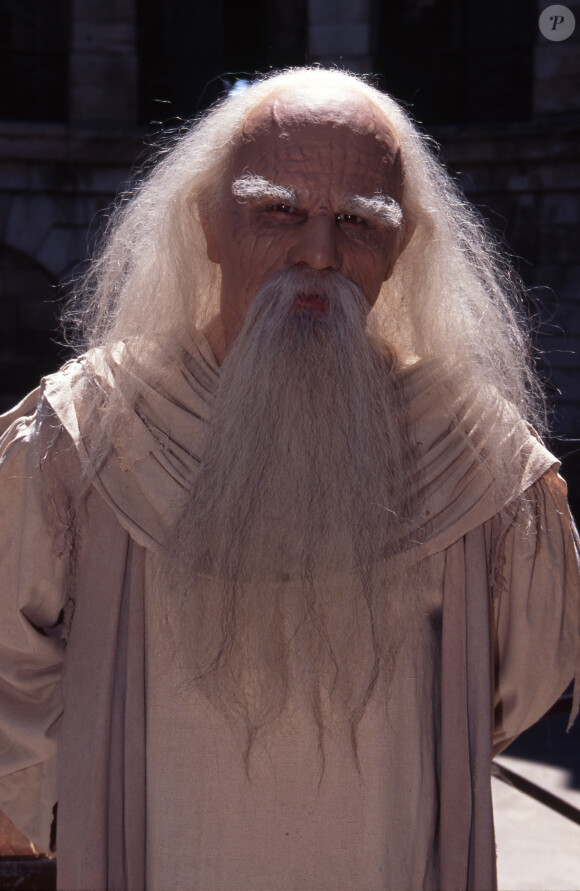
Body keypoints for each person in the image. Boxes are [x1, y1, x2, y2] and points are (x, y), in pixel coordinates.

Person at [0, 67, 578, 891]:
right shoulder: (87, 431)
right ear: (207, 225)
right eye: (277, 209)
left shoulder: (481, 455)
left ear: (400, 246)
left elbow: (518, 677)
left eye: (357, 221)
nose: (319, 251)